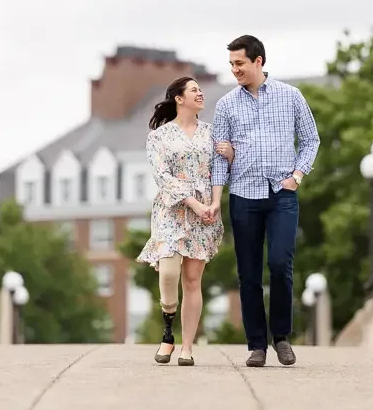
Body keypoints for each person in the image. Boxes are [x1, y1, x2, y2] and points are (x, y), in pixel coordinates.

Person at [208, 35, 320, 367]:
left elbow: (311, 139)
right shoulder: (226, 104)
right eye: (231, 64)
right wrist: (217, 198)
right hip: (243, 196)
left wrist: (297, 176)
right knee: (249, 273)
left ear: (258, 61)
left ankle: (282, 337)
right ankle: (257, 345)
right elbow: (218, 156)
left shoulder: (291, 96)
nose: (234, 70)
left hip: (282, 195)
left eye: (239, 63)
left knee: (280, 264)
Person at [136, 76, 233, 366]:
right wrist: (192, 202)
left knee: (192, 280)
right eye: (194, 90)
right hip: (172, 209)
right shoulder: (159, 137)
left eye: (200, 90)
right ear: (179, 98)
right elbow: (162, 176)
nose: (200, 94)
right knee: (168, 271)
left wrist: (215, 202)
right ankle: (168, 327)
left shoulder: (212, 133)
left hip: (205, 212)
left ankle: (186, 346)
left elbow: (218, 169)